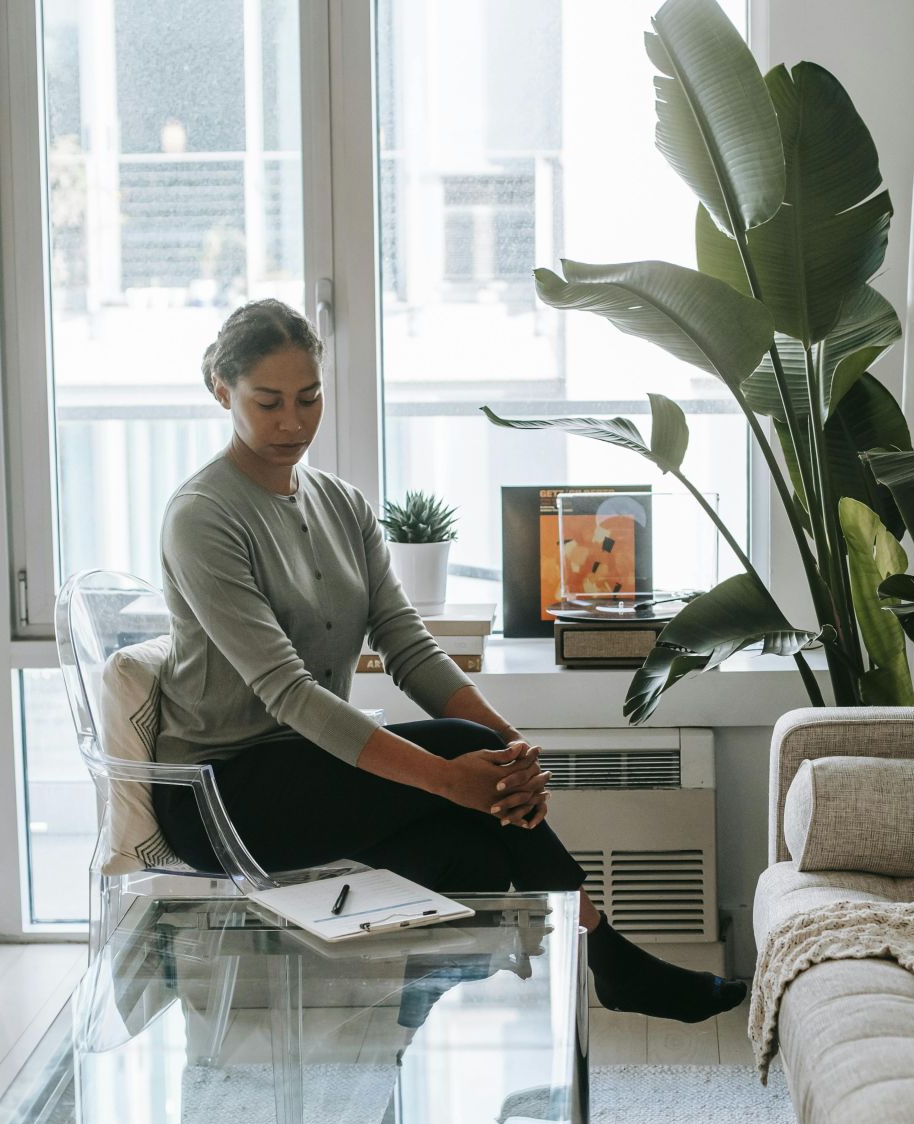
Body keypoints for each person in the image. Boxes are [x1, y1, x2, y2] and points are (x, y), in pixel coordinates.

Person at [150, 298, 745, 1025]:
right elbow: (290, 694)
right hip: (220, 793)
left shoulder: (342, 505)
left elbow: (408, 644)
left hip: (311, 773)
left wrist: (512, 750)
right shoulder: (203, 516)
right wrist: (455, 776)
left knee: (475, 856)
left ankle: (395, 1043)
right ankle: (613, 959)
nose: (293, 423)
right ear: (221, 390)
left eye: (309, 399)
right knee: (465, 772)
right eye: (267, 402)